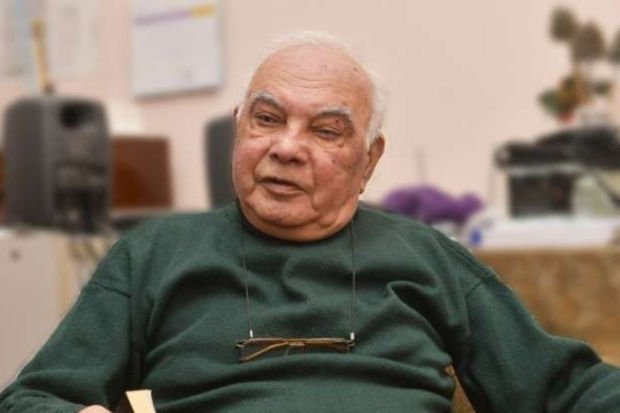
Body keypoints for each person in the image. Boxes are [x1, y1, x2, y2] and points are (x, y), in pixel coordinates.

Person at [1, 31, 620, 413]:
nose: (287, 148)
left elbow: (565, 390)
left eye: (325, 131)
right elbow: (31, 398)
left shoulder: (428, 257)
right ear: (239, 128)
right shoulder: (153, 256)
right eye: (267, 119)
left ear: (369, 161)